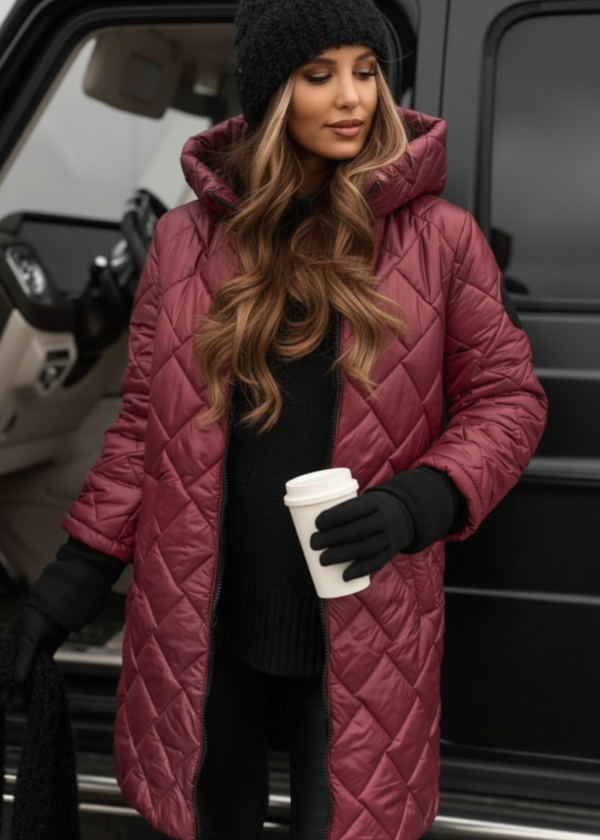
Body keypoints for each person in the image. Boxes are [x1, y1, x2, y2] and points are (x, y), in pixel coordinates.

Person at [6, 0, 548, 838]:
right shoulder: (184, 240)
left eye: (366, 71)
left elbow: (510, 399)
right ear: (270, 96)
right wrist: (66, 589)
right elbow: (144, 431)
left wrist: (421, 502)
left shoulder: (442, 239)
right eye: (318, 75)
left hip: (364, 628)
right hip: (205, 628)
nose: (352, 97)